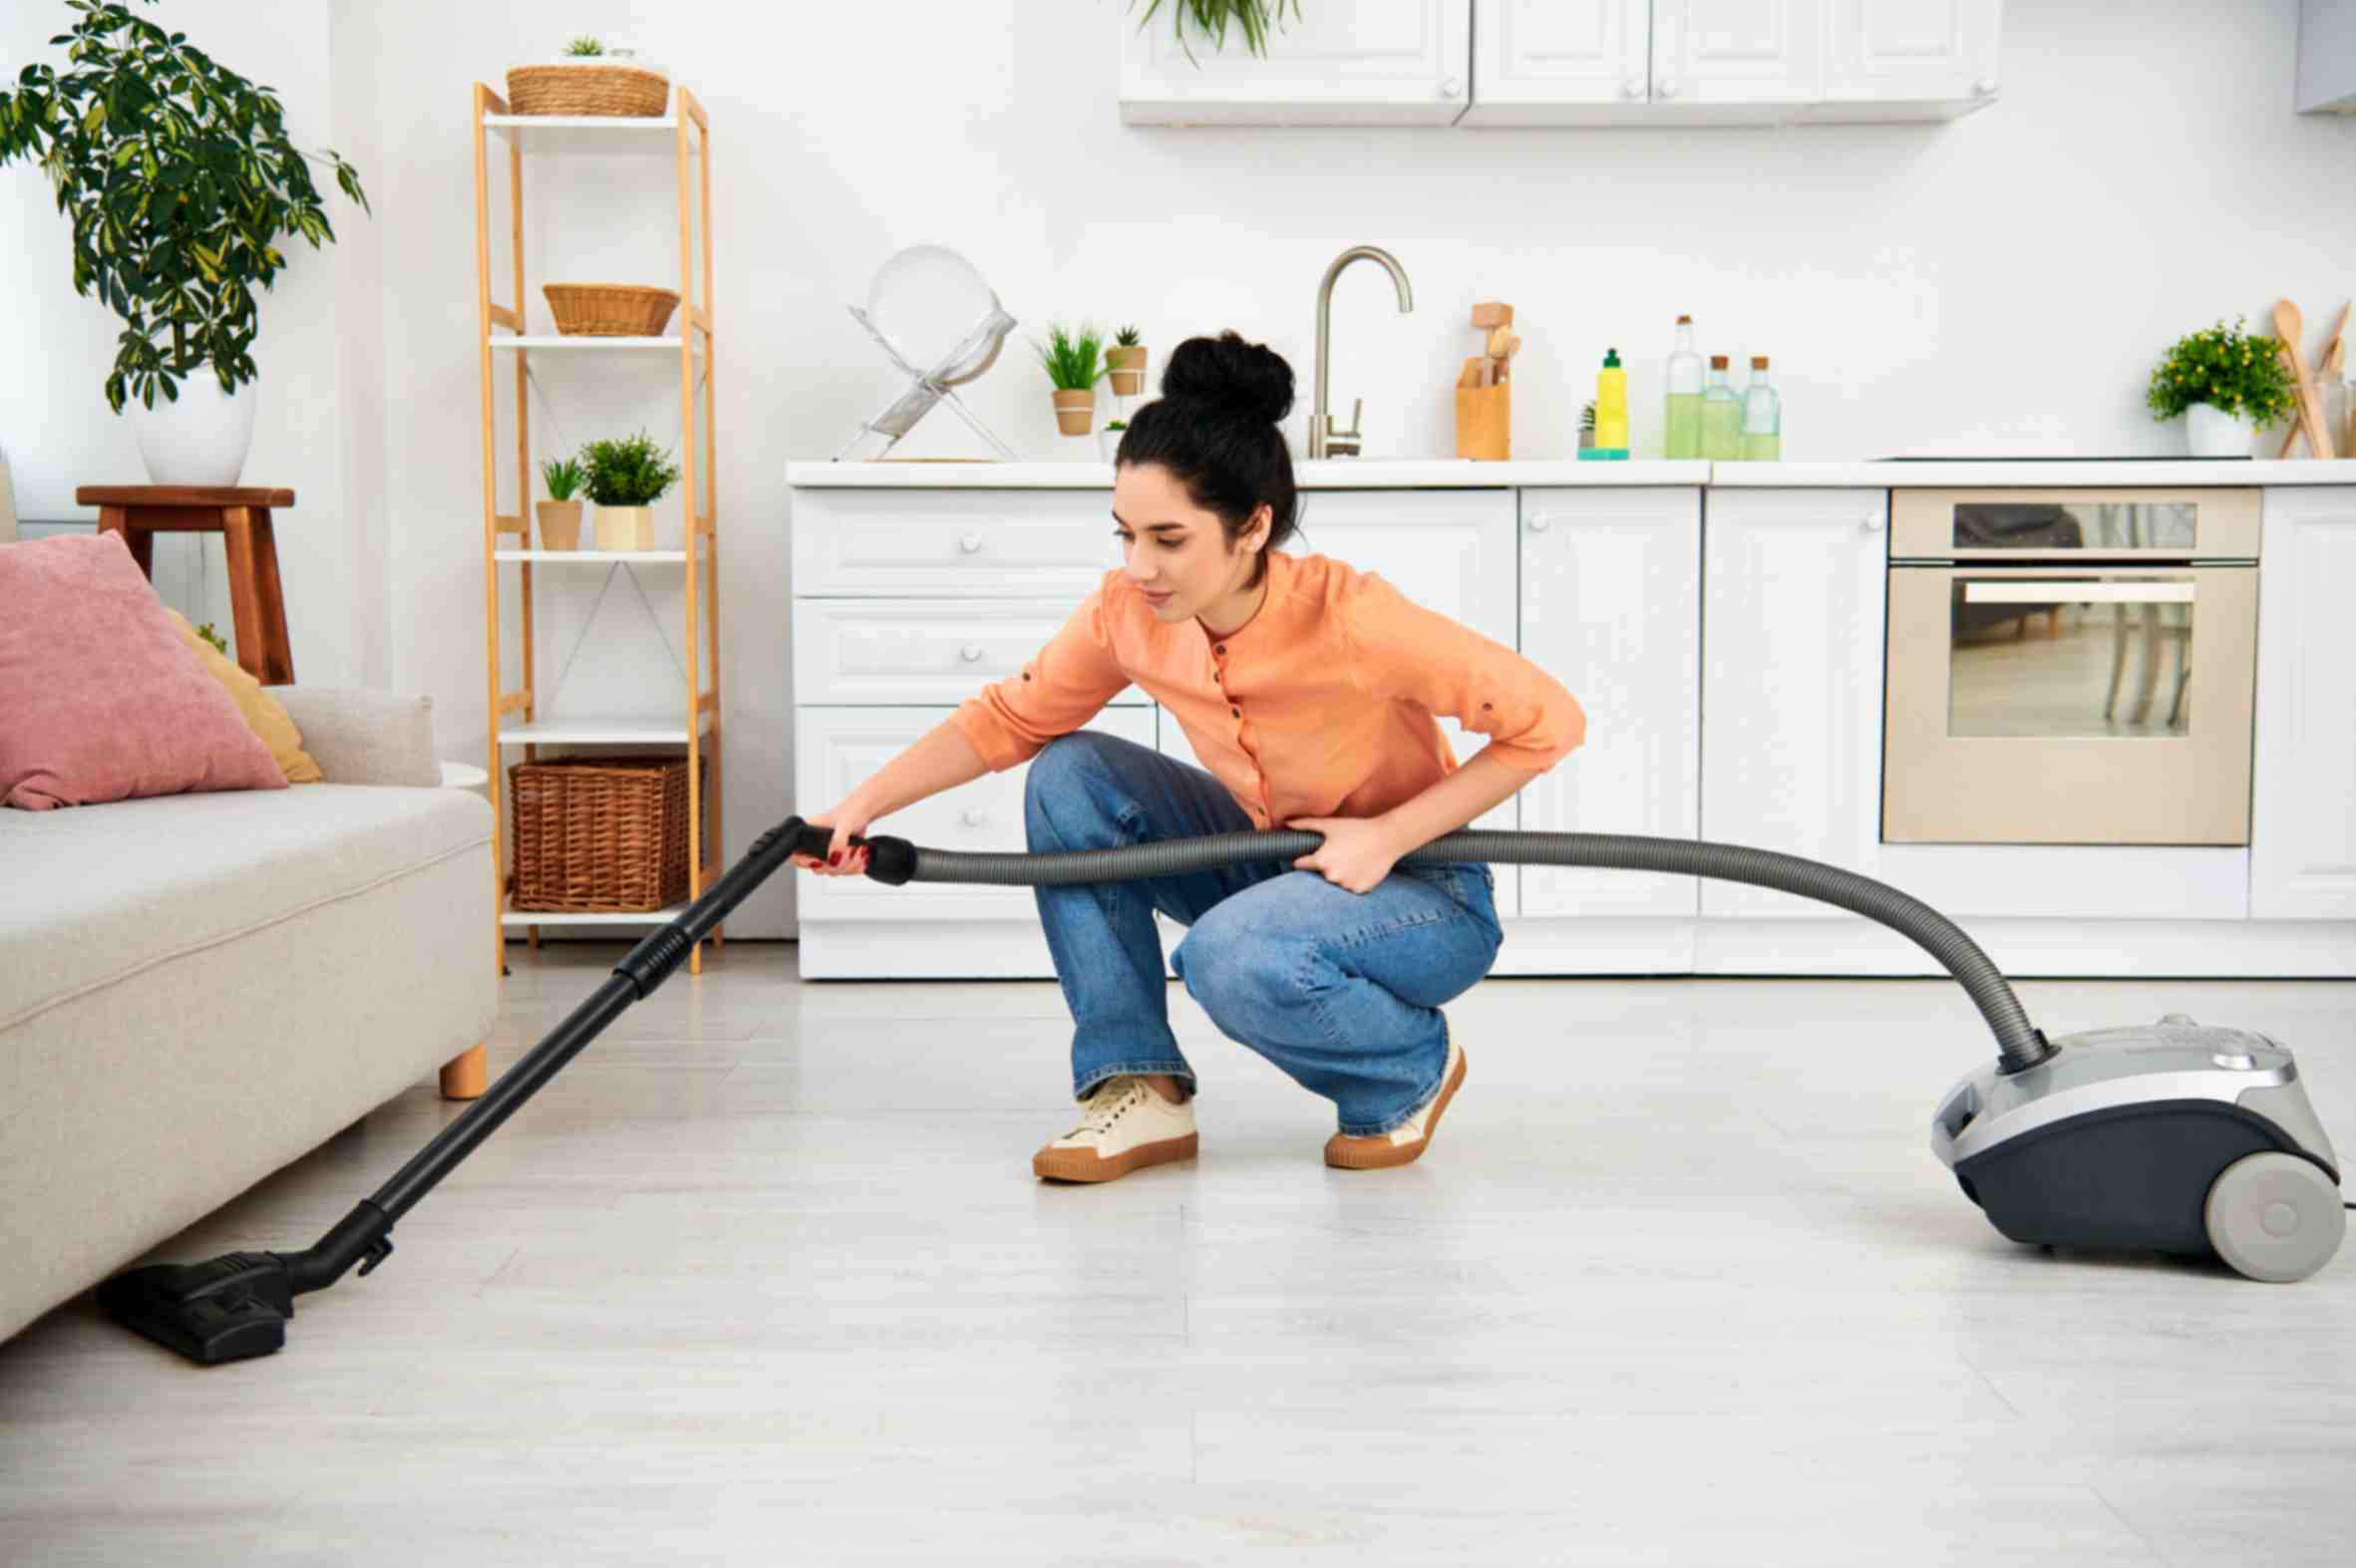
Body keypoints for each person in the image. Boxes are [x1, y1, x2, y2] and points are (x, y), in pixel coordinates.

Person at [791, 331, 1585, 1183]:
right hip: (1274, 861)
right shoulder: (1127, 612)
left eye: (1168, 539)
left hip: (1422, 896)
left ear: (1251, 526)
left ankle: (1404, 1068)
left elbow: (1550, 722)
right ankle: (1139, 1083)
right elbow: (1007, 720)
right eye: (1125, 534)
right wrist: (860, 805)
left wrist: (1387, 834)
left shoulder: (1352, 618)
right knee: (1070, 774)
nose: (1139, 566)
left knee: (1227, 956)